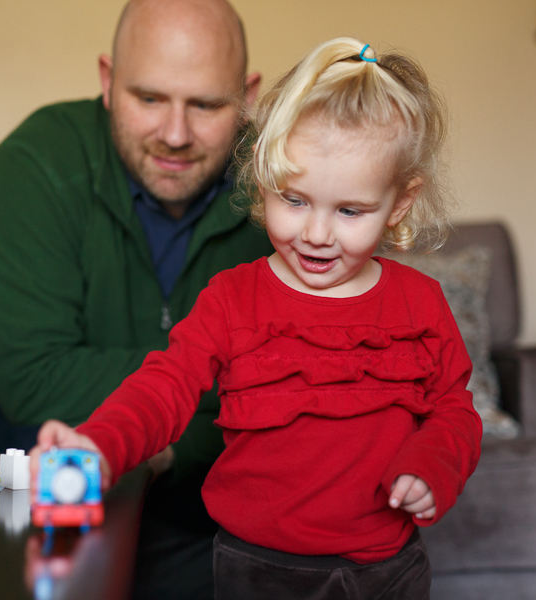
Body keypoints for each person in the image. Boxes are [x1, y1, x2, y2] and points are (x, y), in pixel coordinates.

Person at [31, 38, 483, 599]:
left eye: (349, 211)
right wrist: (100, 446)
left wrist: (432, 465)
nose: (316, 234)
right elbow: (164, 388)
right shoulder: (231, 299)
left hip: (386, 570)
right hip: (256, 570)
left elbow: (455, 411)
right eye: (293, 201)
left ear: (399, 203)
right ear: (264, 179)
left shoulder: (421, 304)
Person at [0, 0, 272, 597]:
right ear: (106, 80)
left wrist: (169, 448)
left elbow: (301, 381)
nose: (175, 135)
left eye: (205, 104)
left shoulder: (286, 187)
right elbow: (33, 378)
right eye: (148, 99)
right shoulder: (36, 159)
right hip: (27, 436)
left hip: (202, 468)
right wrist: (223, 377)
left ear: (248, 95)